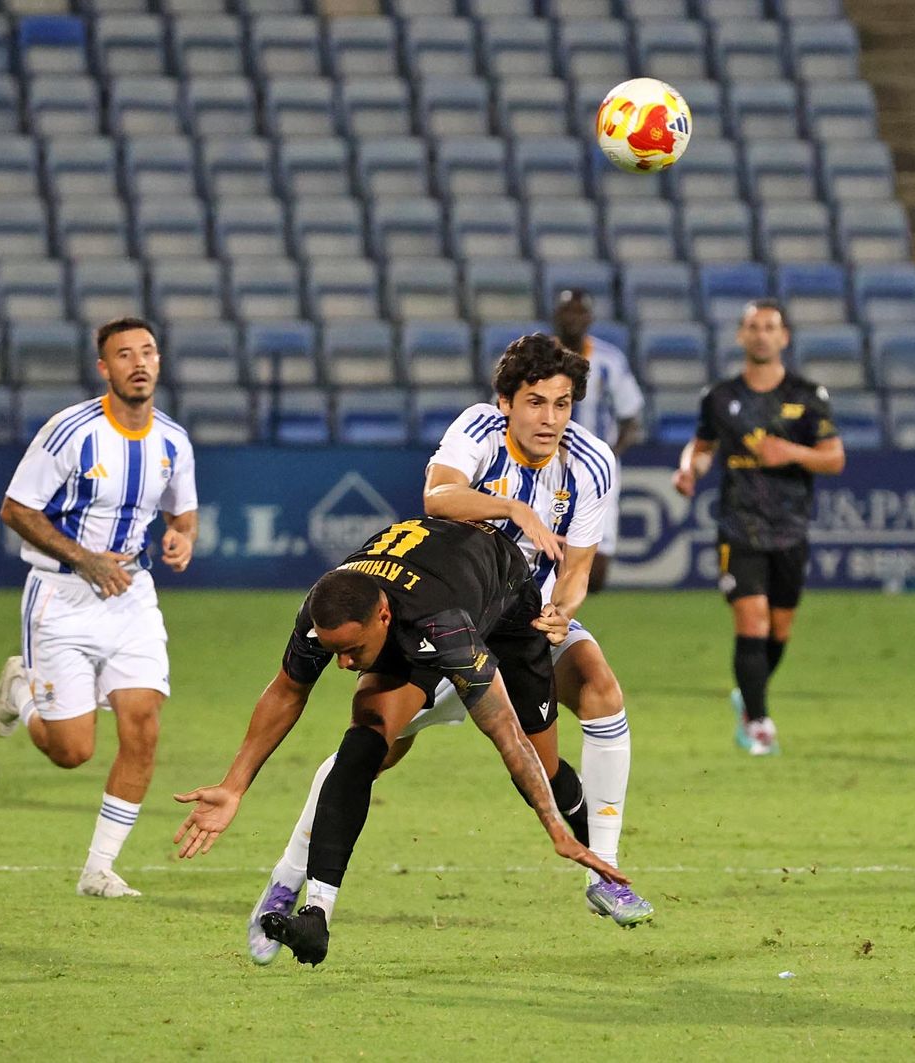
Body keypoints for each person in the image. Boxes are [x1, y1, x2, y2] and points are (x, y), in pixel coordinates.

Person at [240, 334, 652, 966]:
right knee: (371, 750)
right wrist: (515, 508)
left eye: (563, 404)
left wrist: (563, 612)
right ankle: (287, 881)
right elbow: (438, 496)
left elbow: (577, 568)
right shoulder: (480, 428)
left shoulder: (593, 461)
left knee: (596, 689)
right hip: (440, 624)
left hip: (526, 626)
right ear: (506, 402)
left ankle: (607, 873)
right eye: (536, 402)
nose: (550, 418)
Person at [173, 514, 632, 968]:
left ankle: (598, 862)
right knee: (363, 744)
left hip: (506, 604)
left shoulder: (444, 626)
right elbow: (286, 692)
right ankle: (308, 904)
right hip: (422, 598)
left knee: (544, 767)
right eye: (336, 652)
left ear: (383, 617)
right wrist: (233, 787)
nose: (344, 665)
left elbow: (507, 736)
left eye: (353, 650)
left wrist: (554, 829)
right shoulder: (322, 609)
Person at [0, 317, 197, 899]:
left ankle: (98, 869)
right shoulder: (71, 431)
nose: (139, 362)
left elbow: (183, 514)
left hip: (132, 596)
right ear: (104, 368)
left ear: (159, 361)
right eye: (124, 354)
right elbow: (16, 509)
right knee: (72, 751)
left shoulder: (173, 440)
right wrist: (85, 559)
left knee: (143, 725)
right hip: (61, 597)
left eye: (147, 351)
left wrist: (181, 538)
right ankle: (20, 690)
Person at [672, 299, 845, 756]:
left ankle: (749, 694)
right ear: (741, 336)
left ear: (783, 337)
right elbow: (702, 446)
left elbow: (834, 458)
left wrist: (791, 453)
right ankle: (758, 722)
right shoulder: (720, 397)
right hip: (739, 526)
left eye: (770, 327)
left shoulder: (808, 395)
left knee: (779, 630)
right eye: (753, 327)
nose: (761, 334)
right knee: (752, 619)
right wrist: (690, 470)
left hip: (790, 528)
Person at [552, 289, 645, 592]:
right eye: (567, 310)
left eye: (579, 311)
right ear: (556, 316)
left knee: (596, 574)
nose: (573, 318)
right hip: (545, 469)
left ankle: (561, 613)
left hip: (596, 473)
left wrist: (609, 455)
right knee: (544, 555)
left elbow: (631, 417)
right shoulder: (536, 357)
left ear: (590, 318)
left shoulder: (609, 361)